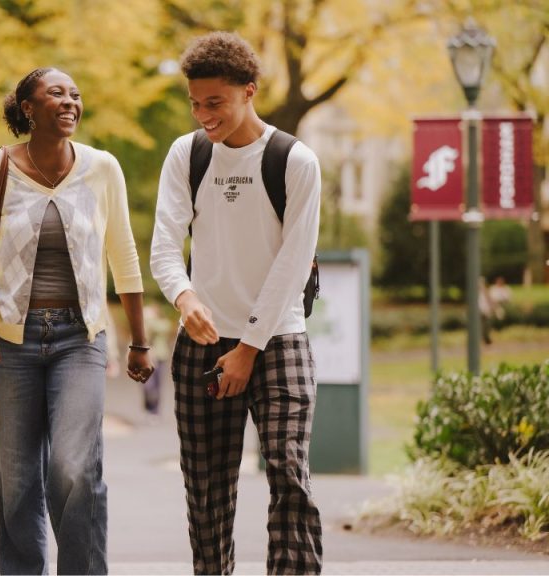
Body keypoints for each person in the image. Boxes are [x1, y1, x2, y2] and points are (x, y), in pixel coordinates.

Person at [0, 67, 153, 575]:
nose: (69, 102)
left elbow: (124, 255)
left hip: (78, 339)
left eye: (75, 95)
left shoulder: (102, 167)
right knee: (17, 480)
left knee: (74, 467)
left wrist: (139, 341)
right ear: (27, 108)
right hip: (8, 342)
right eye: (56, 94)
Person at [150, 33, 323, 575]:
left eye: (215, 103)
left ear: (249, 92)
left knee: (288, 473)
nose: (203, 115)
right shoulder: (188, 154)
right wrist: (184, 296)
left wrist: (248, 346)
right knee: (206, 493)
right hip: (202, 343)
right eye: (196, 104)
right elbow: (163, 245)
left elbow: (293, 264)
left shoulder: (294, 160)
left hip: (278, 339)